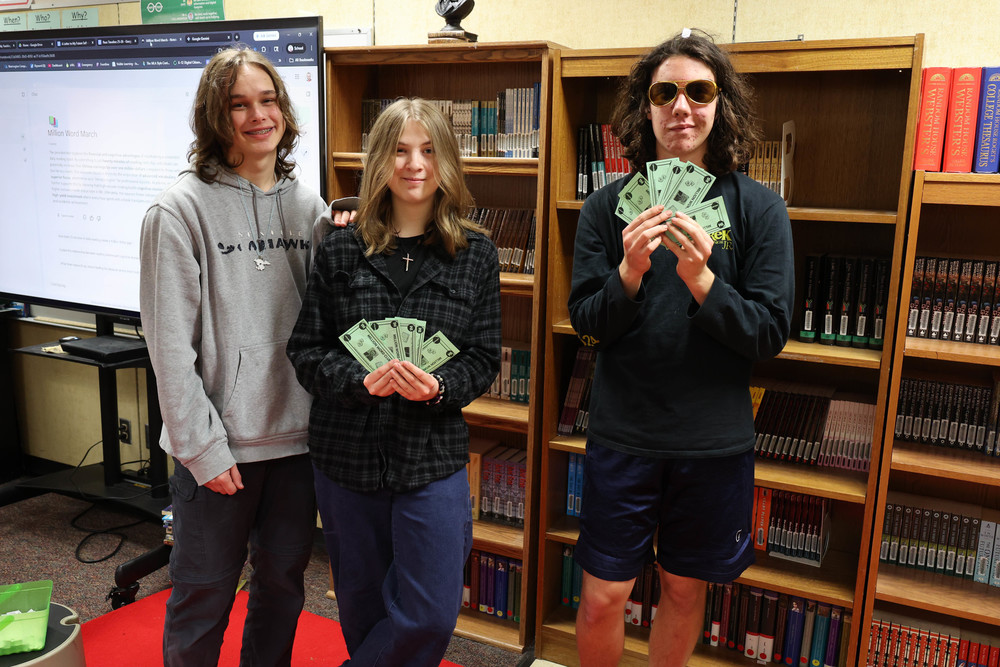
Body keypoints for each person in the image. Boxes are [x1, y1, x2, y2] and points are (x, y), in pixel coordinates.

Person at [568, 29, 795, 667]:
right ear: (646, 105)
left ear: (720, 105)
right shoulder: (608, 207)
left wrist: (702, 281)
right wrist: (629, 276)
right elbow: (586, 324)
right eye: (665, 91)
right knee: (604, 596)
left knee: (683, 588)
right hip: (624, 434)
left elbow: (770, 334)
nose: (681, 107)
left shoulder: (761, 208)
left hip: (712, 442)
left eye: (699, 91)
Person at [286, 97, 502, 666]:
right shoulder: (339, 248)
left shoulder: (477, 253)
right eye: (401, 150)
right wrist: (360, 381)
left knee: (429, 611)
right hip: (345, 457)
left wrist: (440, 388)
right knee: (361, 608)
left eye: (429, 151)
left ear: (446, 161)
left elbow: (482, 357)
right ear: (380, 161)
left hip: (431, 456)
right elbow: (306, 351)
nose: (415, 164)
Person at [139, 47, 326, 666]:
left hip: (296, 444)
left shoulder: (308, 206)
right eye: (238, 104)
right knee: (202, 599)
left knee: (281, 593)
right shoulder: (178, 211)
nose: (257, 115)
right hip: (218, 451)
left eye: (267, 100)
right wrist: (202, 450)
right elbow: (168, 349)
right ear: (214, 119)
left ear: (283, 109)